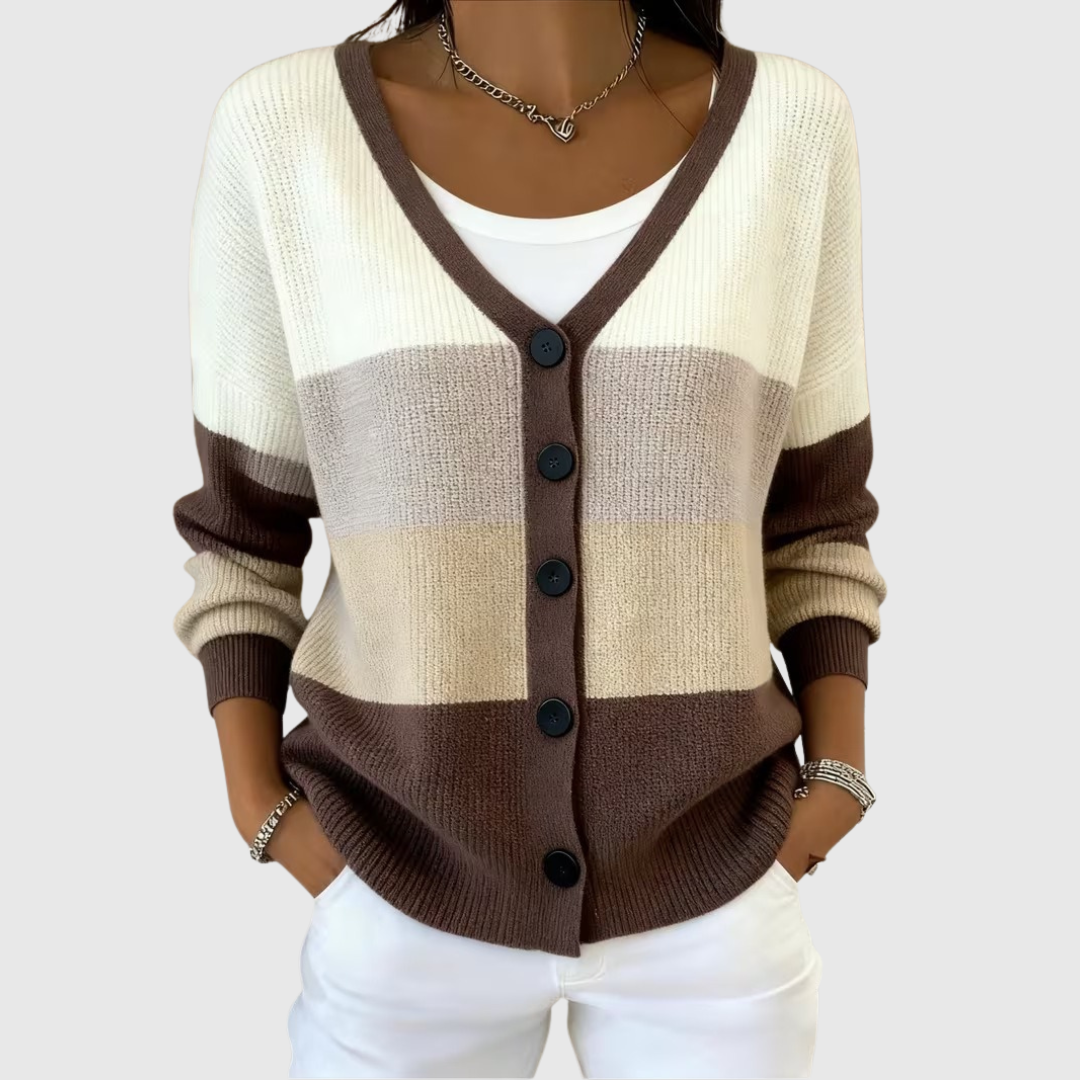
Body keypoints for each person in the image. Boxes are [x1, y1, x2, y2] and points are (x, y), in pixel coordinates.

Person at [171, 1, 887, 1076]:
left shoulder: (790, 126)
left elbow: (816, 516)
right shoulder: (287, 132)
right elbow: (244, 531)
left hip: (717, 898)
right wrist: (264, 813)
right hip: (397, 891)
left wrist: (834, 788)